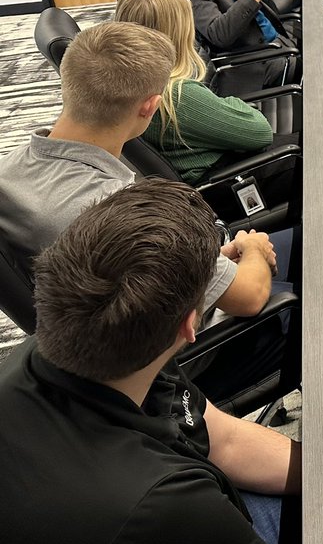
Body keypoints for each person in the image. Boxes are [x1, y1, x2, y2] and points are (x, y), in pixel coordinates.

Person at [0, 179, 304, 544]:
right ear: (189, 325)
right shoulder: (164, 504)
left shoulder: (83, 344)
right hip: (162, 539)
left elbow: (226, 441)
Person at [0, 21, 275, 321]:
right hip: (177, 347)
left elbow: (134, 268)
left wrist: (209, 264)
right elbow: (250, 297)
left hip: (104, 325)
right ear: (150, 107)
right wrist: (254, 248)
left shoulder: (9, 169)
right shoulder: (123, 211)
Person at [114, 0, 294, 186]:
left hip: (216, 167)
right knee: (319, 144)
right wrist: (234, 104)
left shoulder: (131, 82)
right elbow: (261, 132)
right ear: (177, 32)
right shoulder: (177, 94)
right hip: (229, 180)